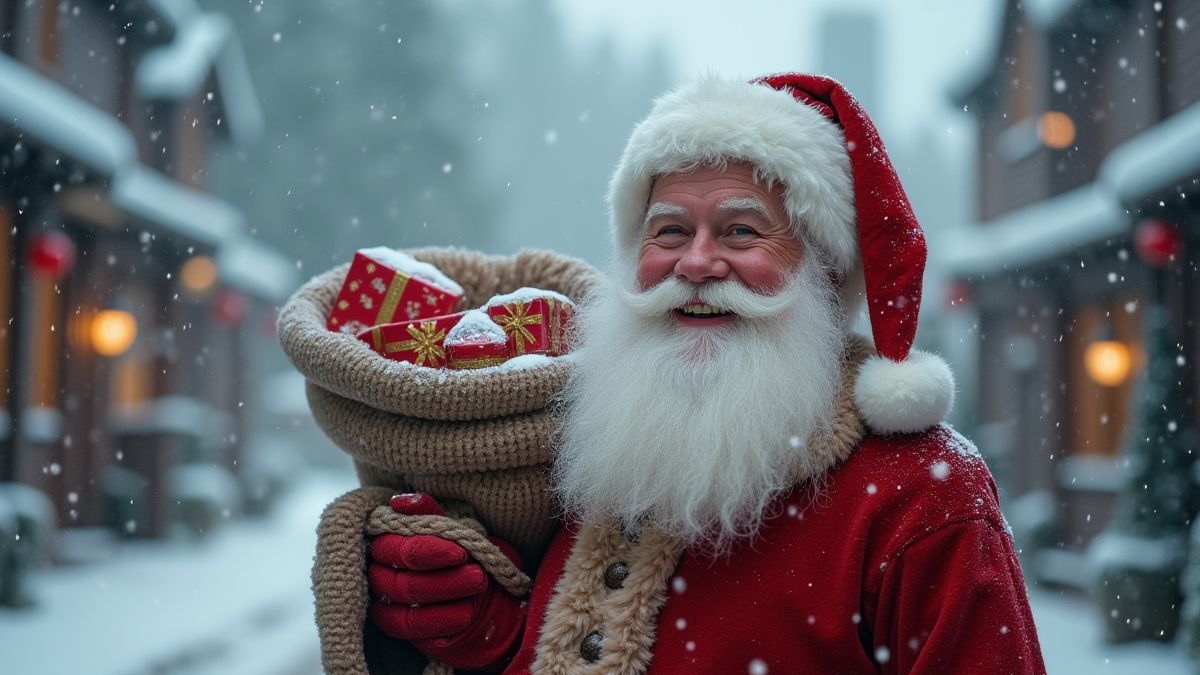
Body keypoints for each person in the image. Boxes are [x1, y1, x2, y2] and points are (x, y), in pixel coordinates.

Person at [364, 73, 1046, 674]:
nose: (696, 262)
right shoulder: (595, 439)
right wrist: (483, 630)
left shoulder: (922, 493)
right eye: (667, 232)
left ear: (824, 270)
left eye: (741, 231)